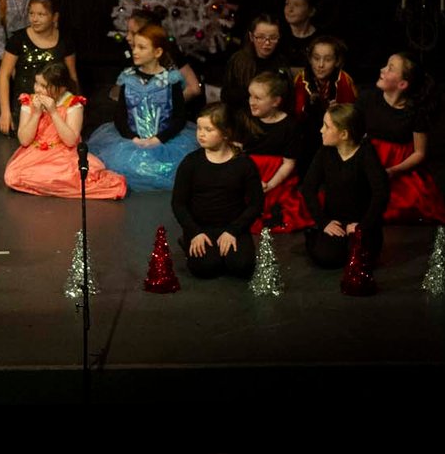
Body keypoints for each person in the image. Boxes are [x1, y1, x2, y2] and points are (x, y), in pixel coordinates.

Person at [88, 24, 198, 192]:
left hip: (164, 141)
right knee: (120, 168)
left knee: (172, 170)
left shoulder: (170, 80)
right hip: (132, 141)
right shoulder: (128, 79)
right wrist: (132, 138)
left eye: (141, 47)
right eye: (134, 47)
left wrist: (158, 139)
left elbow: (179, 117)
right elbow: (120, 115)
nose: (135, 51)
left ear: (157, 52)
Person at [356, 52, 445, 225]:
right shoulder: (367, 99)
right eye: (386, 65)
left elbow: (419, 153)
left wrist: (393, 171)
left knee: (405, 204)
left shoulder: (414, 112)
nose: (382, 69)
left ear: (402, 84)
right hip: (371, 161)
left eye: (390, 68)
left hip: (399, 169)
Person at [4, 63, 127, 199]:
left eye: (43, 86)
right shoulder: (29, 102)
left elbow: (70, 141)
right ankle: (51, 183)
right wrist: (36, 114)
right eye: (36, 83)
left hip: (63, 154)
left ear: (61, 88)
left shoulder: (72, 104)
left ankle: (51, 183)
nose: (37, 89)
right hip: (34, 154)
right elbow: (24, 140)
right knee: (13, 176)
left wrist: (53, 112)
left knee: (71, 176)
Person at [170, 104, 262, 280]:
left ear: (226, 133)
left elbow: (256, 204)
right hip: (201, 227)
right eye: (199, 128)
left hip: (233, 226)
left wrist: (234, 230)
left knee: (242, 267)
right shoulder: (191, 163)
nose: (201, 134)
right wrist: (194, 232)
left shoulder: (244, 164)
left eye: (208, 129)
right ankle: (187, 241)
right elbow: (178, 203)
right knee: (206, 268)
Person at [300, 103, 388, 267]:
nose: (321, 130)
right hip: (336, 221)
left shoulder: (366, 154)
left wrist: (363, 226)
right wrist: (323, 222)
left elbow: (381, 193)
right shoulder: (325, 153)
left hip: (361, 222)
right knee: (325, 257)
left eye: (327, 127)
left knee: (361, 256)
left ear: (344, 134)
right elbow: (308, 188)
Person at [0, 0, 79, 135]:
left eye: (41, 14)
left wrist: (75, 107)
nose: (35, 19)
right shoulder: (18, 39)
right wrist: (5, 112)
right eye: (31, 13)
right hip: (26, 106)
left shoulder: (65, 40)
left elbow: (72, 76)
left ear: (55, 17)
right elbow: (4, 74)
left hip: (57, 105)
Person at [241, 72, 311, 234]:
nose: (251, 102)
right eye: (250, 96)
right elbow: (238, 152)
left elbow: (289, 163)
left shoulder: (290, 126)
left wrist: (269, 185)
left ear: (275, 101)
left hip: (276, 177)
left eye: (258, 98)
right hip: (249, 174)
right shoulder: (247, 119)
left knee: (278, 210)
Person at [290, 35, 356, 172]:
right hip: (307, 138)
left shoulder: (344, 80)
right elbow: (296, 115)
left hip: (336, 139)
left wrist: (338, 112)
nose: (320, 65)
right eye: (316, 58)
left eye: (328, 60)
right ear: (310, 59)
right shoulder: (301, 79)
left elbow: (353, 117)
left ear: (337, 61)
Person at [220, 14, 284, 117]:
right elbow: (226, 96)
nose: (267, 43)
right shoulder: (239, 61)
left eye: (273, 38)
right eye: (261, 37)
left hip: (271, 118)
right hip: (241, 118)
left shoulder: (281, 63)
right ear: (251, 37)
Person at [275, 0, 321, 74]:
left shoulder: (320, 39)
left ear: (311, 11)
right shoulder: (278, 35)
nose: (289, 9)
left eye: (297, 5)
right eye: (287, 4)